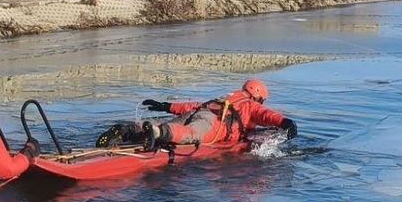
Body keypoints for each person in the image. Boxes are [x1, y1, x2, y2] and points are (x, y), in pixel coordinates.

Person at [95, 79, 297, 151]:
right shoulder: (250, 105)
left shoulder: (226, 98)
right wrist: (287, 123)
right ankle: (157, 132)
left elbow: (193, 106)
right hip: (212, 125)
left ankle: (130, 129)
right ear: (258, 96)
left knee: (180, 124)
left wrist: (166, 106)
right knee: (190, 133)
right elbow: (268, 115)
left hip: (198, 112)